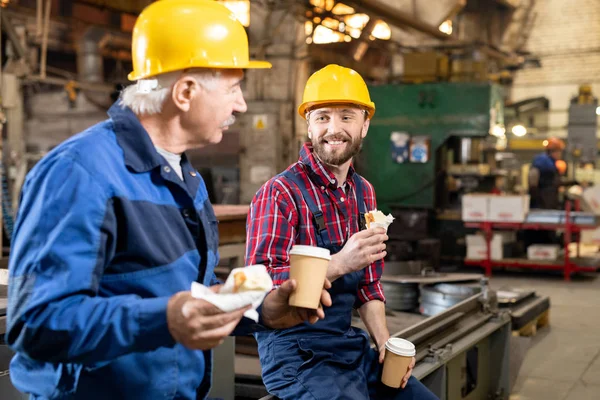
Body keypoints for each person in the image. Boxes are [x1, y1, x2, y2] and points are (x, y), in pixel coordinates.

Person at [5, 1, 331, 399]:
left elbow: (186, 290)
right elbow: (36, 322)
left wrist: (258, 309)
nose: (242, 104)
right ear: (185, 91)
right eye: (233, 87)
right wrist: (165, 319)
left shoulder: (184, 176)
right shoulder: (80, 173)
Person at [245, 64, 438, 399]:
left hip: (349, 346)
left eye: (346, 116)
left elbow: (368, 284)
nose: (334, 129)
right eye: (322, 117)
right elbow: (257, 288)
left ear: (365, 125)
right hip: (296, 355)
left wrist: (385, 343)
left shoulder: (364, 193)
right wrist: (338, 263)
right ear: (308, 124)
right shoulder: (280, 193)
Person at [528, 137, 565, 209]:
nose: (560, 154)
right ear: (553, 151)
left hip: (545, 200)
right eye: (559, 152)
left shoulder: (550, 162)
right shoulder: (543, 161)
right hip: (542, 201)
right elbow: (533, 176)